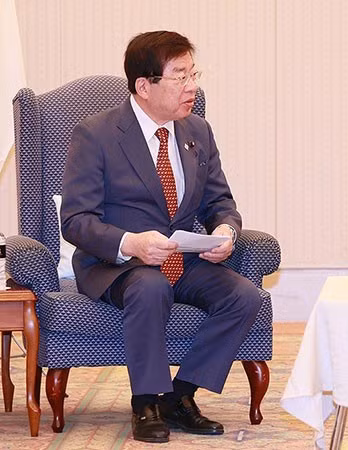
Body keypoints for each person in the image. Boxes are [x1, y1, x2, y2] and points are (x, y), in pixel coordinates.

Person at [61, 31, 262, 443]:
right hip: (117, 265)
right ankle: (146, 402)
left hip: (182, 259)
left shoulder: (198, 131)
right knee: (150, 286)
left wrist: (226, 230)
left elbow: (220, 202)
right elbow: (76, 220)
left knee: (244, 296)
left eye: (194, 74)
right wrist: (131, 243)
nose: (192, 86)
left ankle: (180, 395)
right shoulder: (96, 135)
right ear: (144, 86)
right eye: (180, 76)